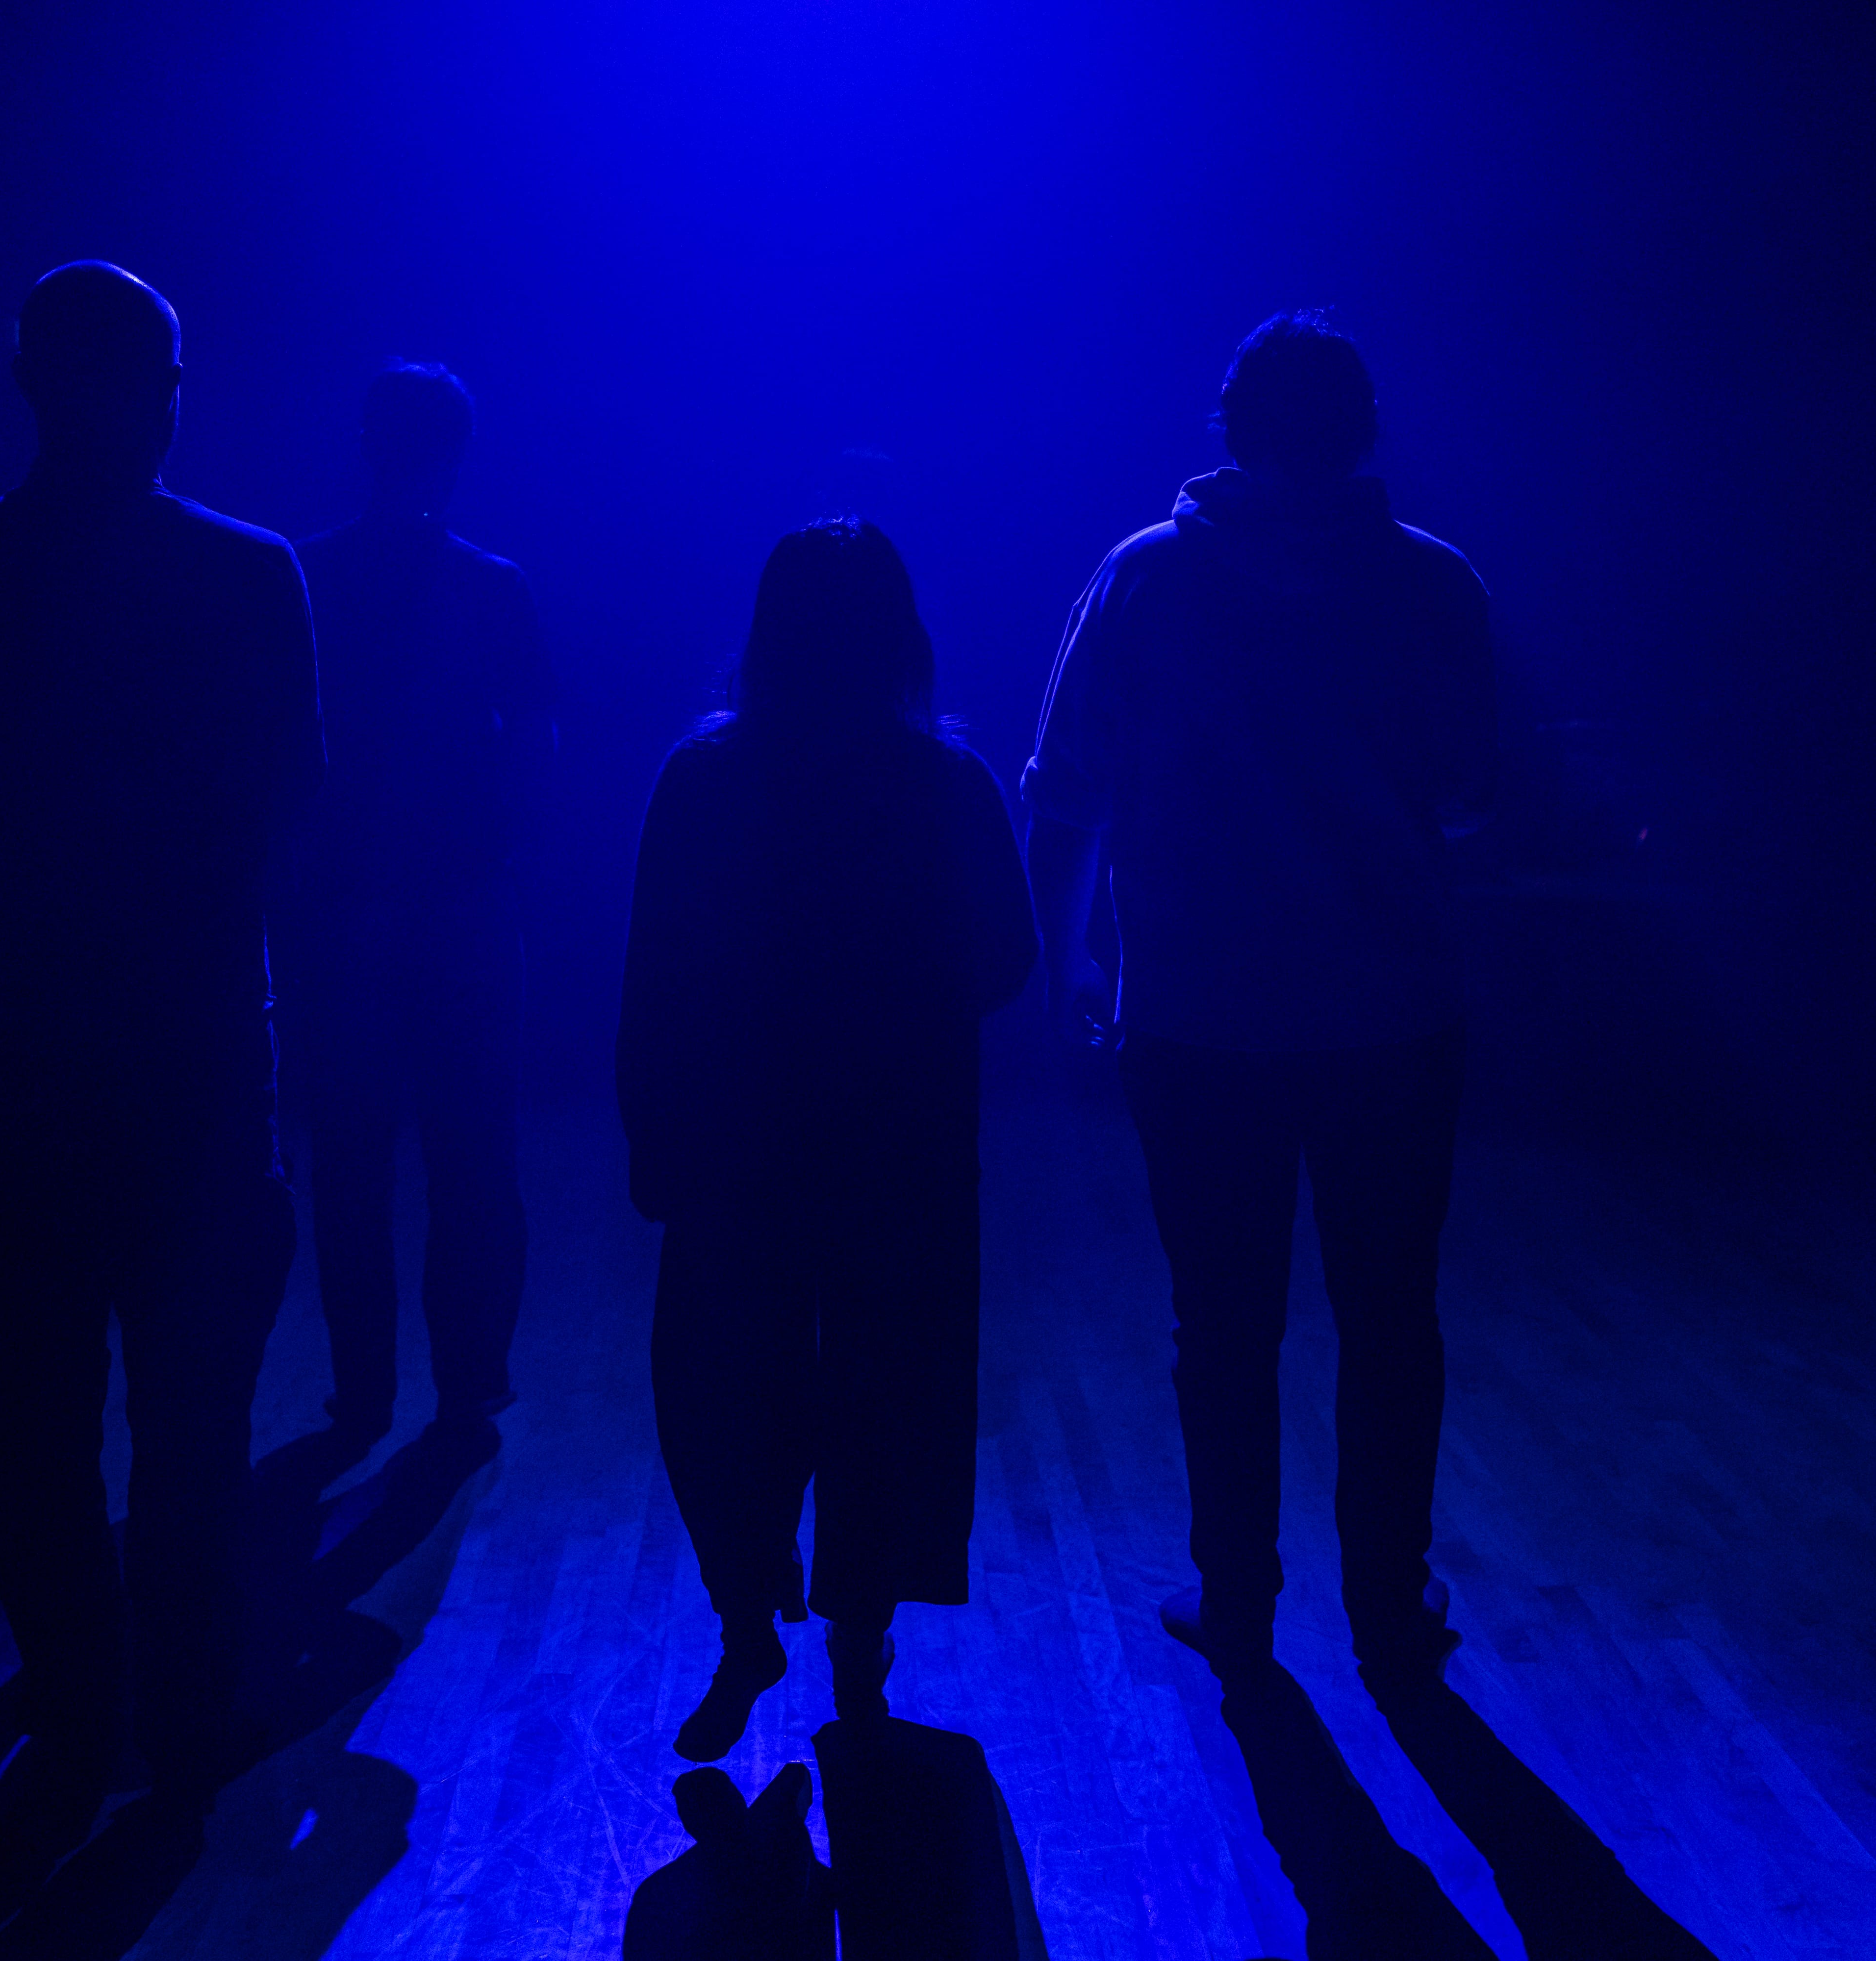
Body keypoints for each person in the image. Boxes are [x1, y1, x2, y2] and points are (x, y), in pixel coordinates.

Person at [0, 261, 322, 1862]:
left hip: (19, 1053)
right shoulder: (250, 575)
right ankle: (186, 1719)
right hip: (197, 1057)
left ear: (28, 383)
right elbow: (293, 807)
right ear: (165, 392)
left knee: (36, 1426)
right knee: (194, 1427)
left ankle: (79, 1719)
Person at [1023, 311, 1494, 1688]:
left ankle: (1237, 1595)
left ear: (1230, 426)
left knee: (1222, 1323)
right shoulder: (1433, 584)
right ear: (1363, 430)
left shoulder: (1145, 577)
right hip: (1391, 1015)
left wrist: (1070, 957)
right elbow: (1477, 797)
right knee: (1391, 1317)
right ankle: (1388, 1601)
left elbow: (1065, 794)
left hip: (1199, 1015)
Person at [618, 518, 1035, 1760]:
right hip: (900, 1143)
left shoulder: (704, 778)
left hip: (733, 1143)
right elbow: (1008, 958)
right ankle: (861, 1637)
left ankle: (748, 1621)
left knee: (719, 1388)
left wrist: (652, 1129)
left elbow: (651, 974)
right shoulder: (947, 784)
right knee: (890, 1383)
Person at [283, 362, 552, 1471]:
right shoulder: (491, 586)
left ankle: (362, 1389)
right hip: (462, 905)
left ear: (367, 444)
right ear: (456, 455)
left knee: (351, 1161)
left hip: (344, 908)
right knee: (474, 1156)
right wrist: (498, 851)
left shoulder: (306, 576)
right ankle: (468, 1383)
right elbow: (532, 742)